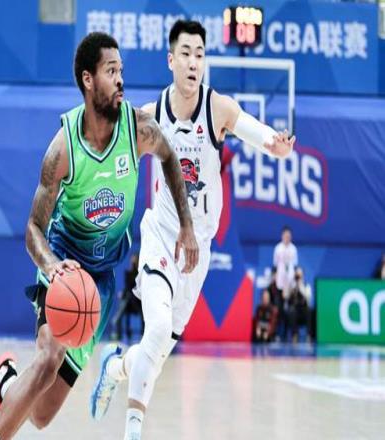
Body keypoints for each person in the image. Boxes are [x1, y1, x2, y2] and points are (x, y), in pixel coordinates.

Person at [0, 32, 199, 440]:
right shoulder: (64, 148)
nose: (121, 79)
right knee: (48, 359)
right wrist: (52, 267)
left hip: (101, 281)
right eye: (111, 71)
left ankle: (5, 383)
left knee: (41, 415)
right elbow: (33, 229)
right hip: (65, 261)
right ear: (88, 80)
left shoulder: (138, 129)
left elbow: (170, 159)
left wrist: (187, 224)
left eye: (121, 70)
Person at [89, 20, 295, 440]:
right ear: (171, 60)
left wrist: (273, 143)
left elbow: (254, 130)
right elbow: (108, 146)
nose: (193, 62)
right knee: (157, 330)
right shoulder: (151, 116)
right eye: (185, 54)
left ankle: (116, 367)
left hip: (198, 248)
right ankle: (132, 431)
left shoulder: (218, 108)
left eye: (200, 55)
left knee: (156, 355)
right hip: (162, 234)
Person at [111, 253, 144, 341]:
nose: (133, 261)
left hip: (137, 301)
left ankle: (143, 334)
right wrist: (123, 293)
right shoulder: (128, 273)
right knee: (125, 299)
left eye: (135, 260)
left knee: (129, 299)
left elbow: (137, 287)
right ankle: (118, 333)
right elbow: (128, 287)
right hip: (129, 301)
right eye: (132, 260)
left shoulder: (140, 273)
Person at [286, 267, 312, 343]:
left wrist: (300, 285)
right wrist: (292, 287)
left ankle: (309, 335)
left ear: (302, 275)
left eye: (299, 275)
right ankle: (294, 335)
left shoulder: (306, 286)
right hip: (295, 310)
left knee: (309, 311)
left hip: (303, 310)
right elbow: (286, 297)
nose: (298, 276)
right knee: (291, 311)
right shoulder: (291, 285)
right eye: (297, 274)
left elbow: (308, 298)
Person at [273, 226, 298, 300]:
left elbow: (295, 265)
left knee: (291, 300)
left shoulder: (293, 249)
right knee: (280, 300)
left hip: (290, 279)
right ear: (282, 236)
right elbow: (275, 264)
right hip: (280, 279)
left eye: (289, 236)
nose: (287, 238)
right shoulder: (278, 248)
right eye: (286, 236)